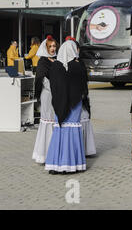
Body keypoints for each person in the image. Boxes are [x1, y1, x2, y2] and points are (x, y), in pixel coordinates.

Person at [45, 40, 87, 174]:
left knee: (60, 130)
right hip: (75, 104)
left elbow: (53, 87)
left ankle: (56, 163)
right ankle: (70, 164)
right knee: (72, 130)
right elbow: (83, 86)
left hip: (59, 104)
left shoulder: (55, 66)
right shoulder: (78, 66)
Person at [66, 36, 96, 157]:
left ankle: (86, 148)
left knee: (84, 118)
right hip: (73, 98)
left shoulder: (80, 62)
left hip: (82, 96)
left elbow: (85, 79)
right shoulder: (66, 63)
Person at [31, 36, 58, 164]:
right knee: (48, 121)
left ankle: (53, 152)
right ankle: (44, 154)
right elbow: (39, 80)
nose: (53, 49)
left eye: (54, 46)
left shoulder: (56, 60)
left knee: (53, 122)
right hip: (47, 96)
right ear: (45, 48)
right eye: (50, 47)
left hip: (56, 96)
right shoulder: (42, 61)